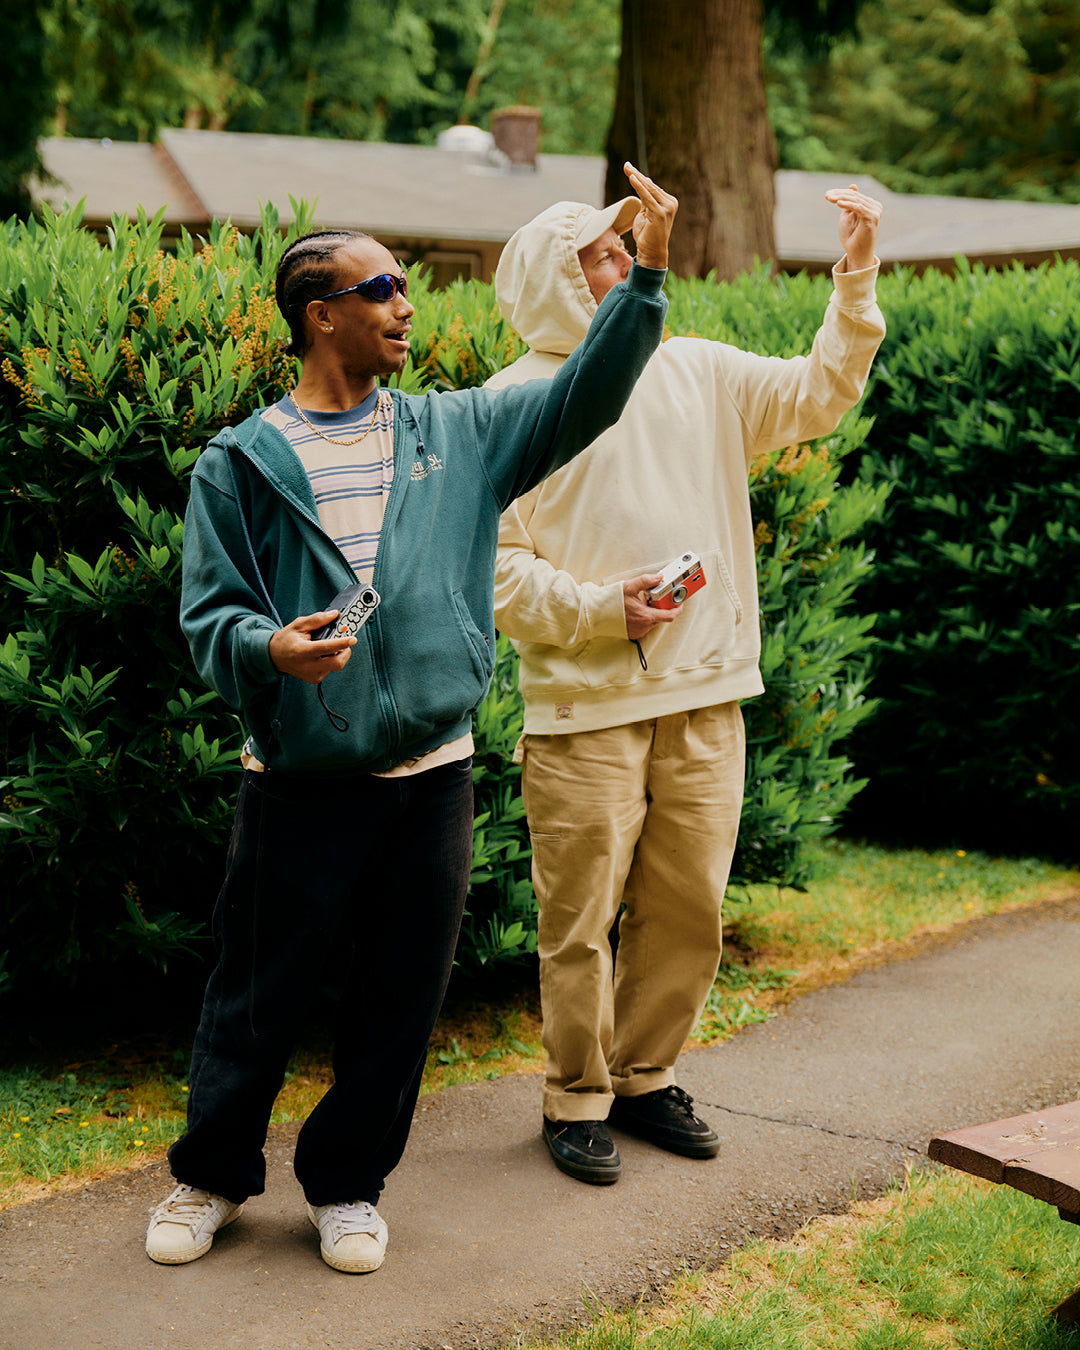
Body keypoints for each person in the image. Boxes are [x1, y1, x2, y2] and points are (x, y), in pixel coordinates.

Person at [145, 164, 677, 1272]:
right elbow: (210, 616)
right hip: (297, 780)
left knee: (399, 1002)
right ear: (319, 313)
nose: (405, 304)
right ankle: (208, 1180)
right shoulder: (240, 464)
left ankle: (347, 1186)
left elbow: (591, 389)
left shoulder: (461, 433)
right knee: (256, 996)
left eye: (404, 285)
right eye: (381, 286)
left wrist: (648, 281)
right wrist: (269, 649)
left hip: (432, 775)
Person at [489, 185, 886, 1185]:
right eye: (595, 260)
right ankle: (573, 1097)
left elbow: (818, 394)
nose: (620, 271)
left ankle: (646, 1077)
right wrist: (598, 611)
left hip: (706, 694)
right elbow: (490, 567)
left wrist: (856, 271)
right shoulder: (508, 404)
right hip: (582, 708)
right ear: (548, 280)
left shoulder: (697, 370)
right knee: (576, 919)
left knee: (689, 906)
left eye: (624, 257)